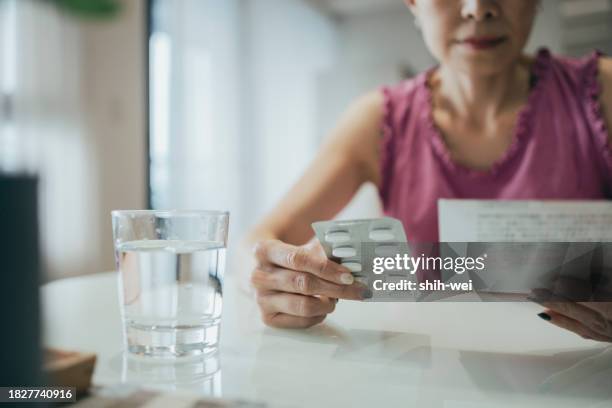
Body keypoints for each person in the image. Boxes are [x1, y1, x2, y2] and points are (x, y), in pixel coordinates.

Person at [243, 0, 612, 341]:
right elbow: (259, 242)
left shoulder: (605, 94)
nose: (478, 9)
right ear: (413, 2)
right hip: (426, 381)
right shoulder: (376, 121)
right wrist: (275, 279)